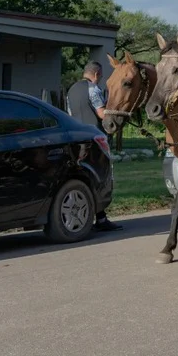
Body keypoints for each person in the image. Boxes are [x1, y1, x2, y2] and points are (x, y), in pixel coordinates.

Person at [66, 61, 122, 231]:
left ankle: (95, 216)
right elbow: (101, 113)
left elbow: (70, 114)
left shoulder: (71, 90)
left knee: (83, 176)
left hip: (76, 139)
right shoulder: (93, 89)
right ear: (97, 74)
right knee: (100, 176)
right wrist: (118, 112)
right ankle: (101, 219)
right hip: (94, 139)